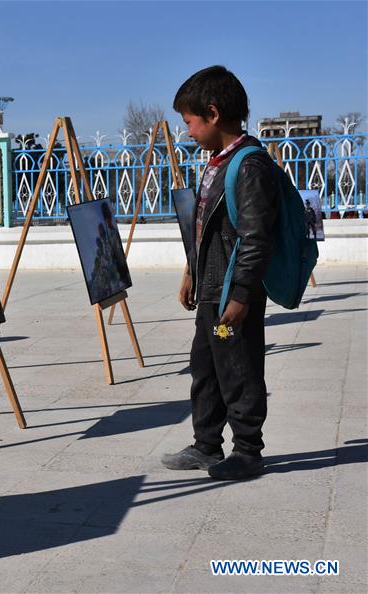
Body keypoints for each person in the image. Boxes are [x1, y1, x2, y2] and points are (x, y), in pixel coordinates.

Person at [161, 66, 279, 480]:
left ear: (212, 114)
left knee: (238, 369)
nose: (188, 132)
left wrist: (242, 294)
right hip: (211, 289)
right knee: (206, 367)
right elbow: (205, 227)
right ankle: (206, 445)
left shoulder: (249, 165)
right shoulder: (218, 161)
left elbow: (255, 237)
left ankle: (248, 451)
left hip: (232, 294)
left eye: (189, 122)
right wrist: (191, 271)